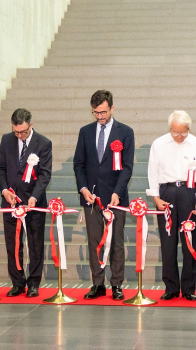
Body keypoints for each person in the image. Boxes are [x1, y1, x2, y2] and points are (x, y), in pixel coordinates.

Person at [73, 90, 134, 300]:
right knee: (94, 241)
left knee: (116, 242)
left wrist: (117, 192)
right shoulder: (85, 131)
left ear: (112, 108)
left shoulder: (126, 132)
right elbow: (79, 164)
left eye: (103, 112)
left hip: (116, 198)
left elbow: (127, 167)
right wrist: (83, 189)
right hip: (92, 199)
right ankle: (97, 283)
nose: (100, 117)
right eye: (96, 113)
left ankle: (117, 284)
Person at [146, 111, 196, 301]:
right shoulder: (159, 144)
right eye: (175, 132)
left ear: (188, 129)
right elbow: (153, 172)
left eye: (183, 132)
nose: (179, 136)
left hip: (189, 193)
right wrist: (156, 197)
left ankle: (189, 287)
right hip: (166, 193)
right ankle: (171, 287)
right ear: (170, 129)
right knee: (168, 242)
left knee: (189, 242)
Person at [0, 108, 52, 298]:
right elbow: (1, 168)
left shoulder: (43, 143)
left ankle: (34, 282)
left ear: (31, 125)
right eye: (16, 132)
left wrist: (34, 197)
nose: (19, 135)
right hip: (11, 201)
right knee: (12, 243)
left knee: (35, 243)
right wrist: (4, 191)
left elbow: (44, 174)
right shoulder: (6, 140)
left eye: (23, 132)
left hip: (33, 202)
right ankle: (17, 282)